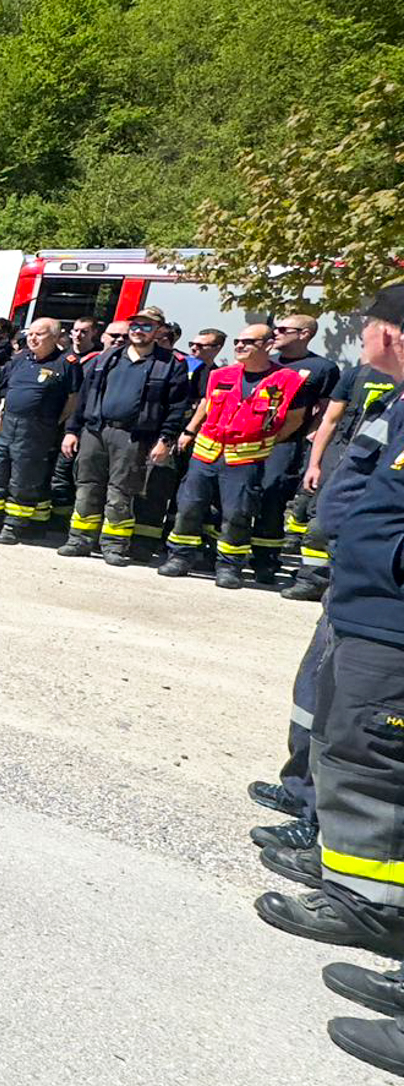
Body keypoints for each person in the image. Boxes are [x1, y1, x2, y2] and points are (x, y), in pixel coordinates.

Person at [246, 286, 404, 1078]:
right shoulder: (393, 398)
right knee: (343, 735)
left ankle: (370, 904)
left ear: (388, 334)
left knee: (375, 756)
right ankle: (347, 873)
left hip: (391, 615)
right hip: (368, 606)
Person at [158, 323, 311, 588]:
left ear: (267, 344)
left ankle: (229, 566)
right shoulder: (221, 375)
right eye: (237, 341)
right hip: (206, 451)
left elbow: (295, 419)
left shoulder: (286, 380)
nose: (239, 346)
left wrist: (267, 440)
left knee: (237, 513)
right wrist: (189, 430)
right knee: (190, 506)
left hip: (245, 457)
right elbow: (206, 405)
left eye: (247, 342)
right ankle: (180, 557)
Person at [56, 313, 192, 565]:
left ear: (157, 330)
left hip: (134, 436)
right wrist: (72, 431)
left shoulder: (170, 364)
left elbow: (176, 407)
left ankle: (114, 545)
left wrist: (166, 439)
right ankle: (80, 539)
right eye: (135, 325)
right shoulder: (107, 358)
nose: (139, 330)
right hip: (95, 431)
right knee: (87, 486)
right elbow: (84, 398)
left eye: (146, 326)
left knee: (121, 491)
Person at [282, 361, 402, 601]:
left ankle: (348, 584)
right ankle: (312, 579)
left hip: (388, 465)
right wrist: (314, 464)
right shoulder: (359, 374)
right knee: (320, 524)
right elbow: (330, 420)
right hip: (347, 453)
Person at [256, 315, 342, 586]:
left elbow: (327, 410)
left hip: (286, 443)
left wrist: (310, 436)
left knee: (272, 498)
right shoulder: (265, 361)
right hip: (247, 440)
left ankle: (265, 560)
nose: (276, 334)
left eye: (282, 330)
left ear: (304, 334)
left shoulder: (322, 368)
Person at [0, 317, 78, 544]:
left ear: (54, 336)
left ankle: (13, 527)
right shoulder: (20, 360)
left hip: (36, 430)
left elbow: (73, 401)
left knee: (22, 481)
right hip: (7, 427)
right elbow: (5, 399)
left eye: (39, 334)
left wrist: (53, 424)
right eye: (30, 333)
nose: (32, 338)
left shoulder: (66, 363)